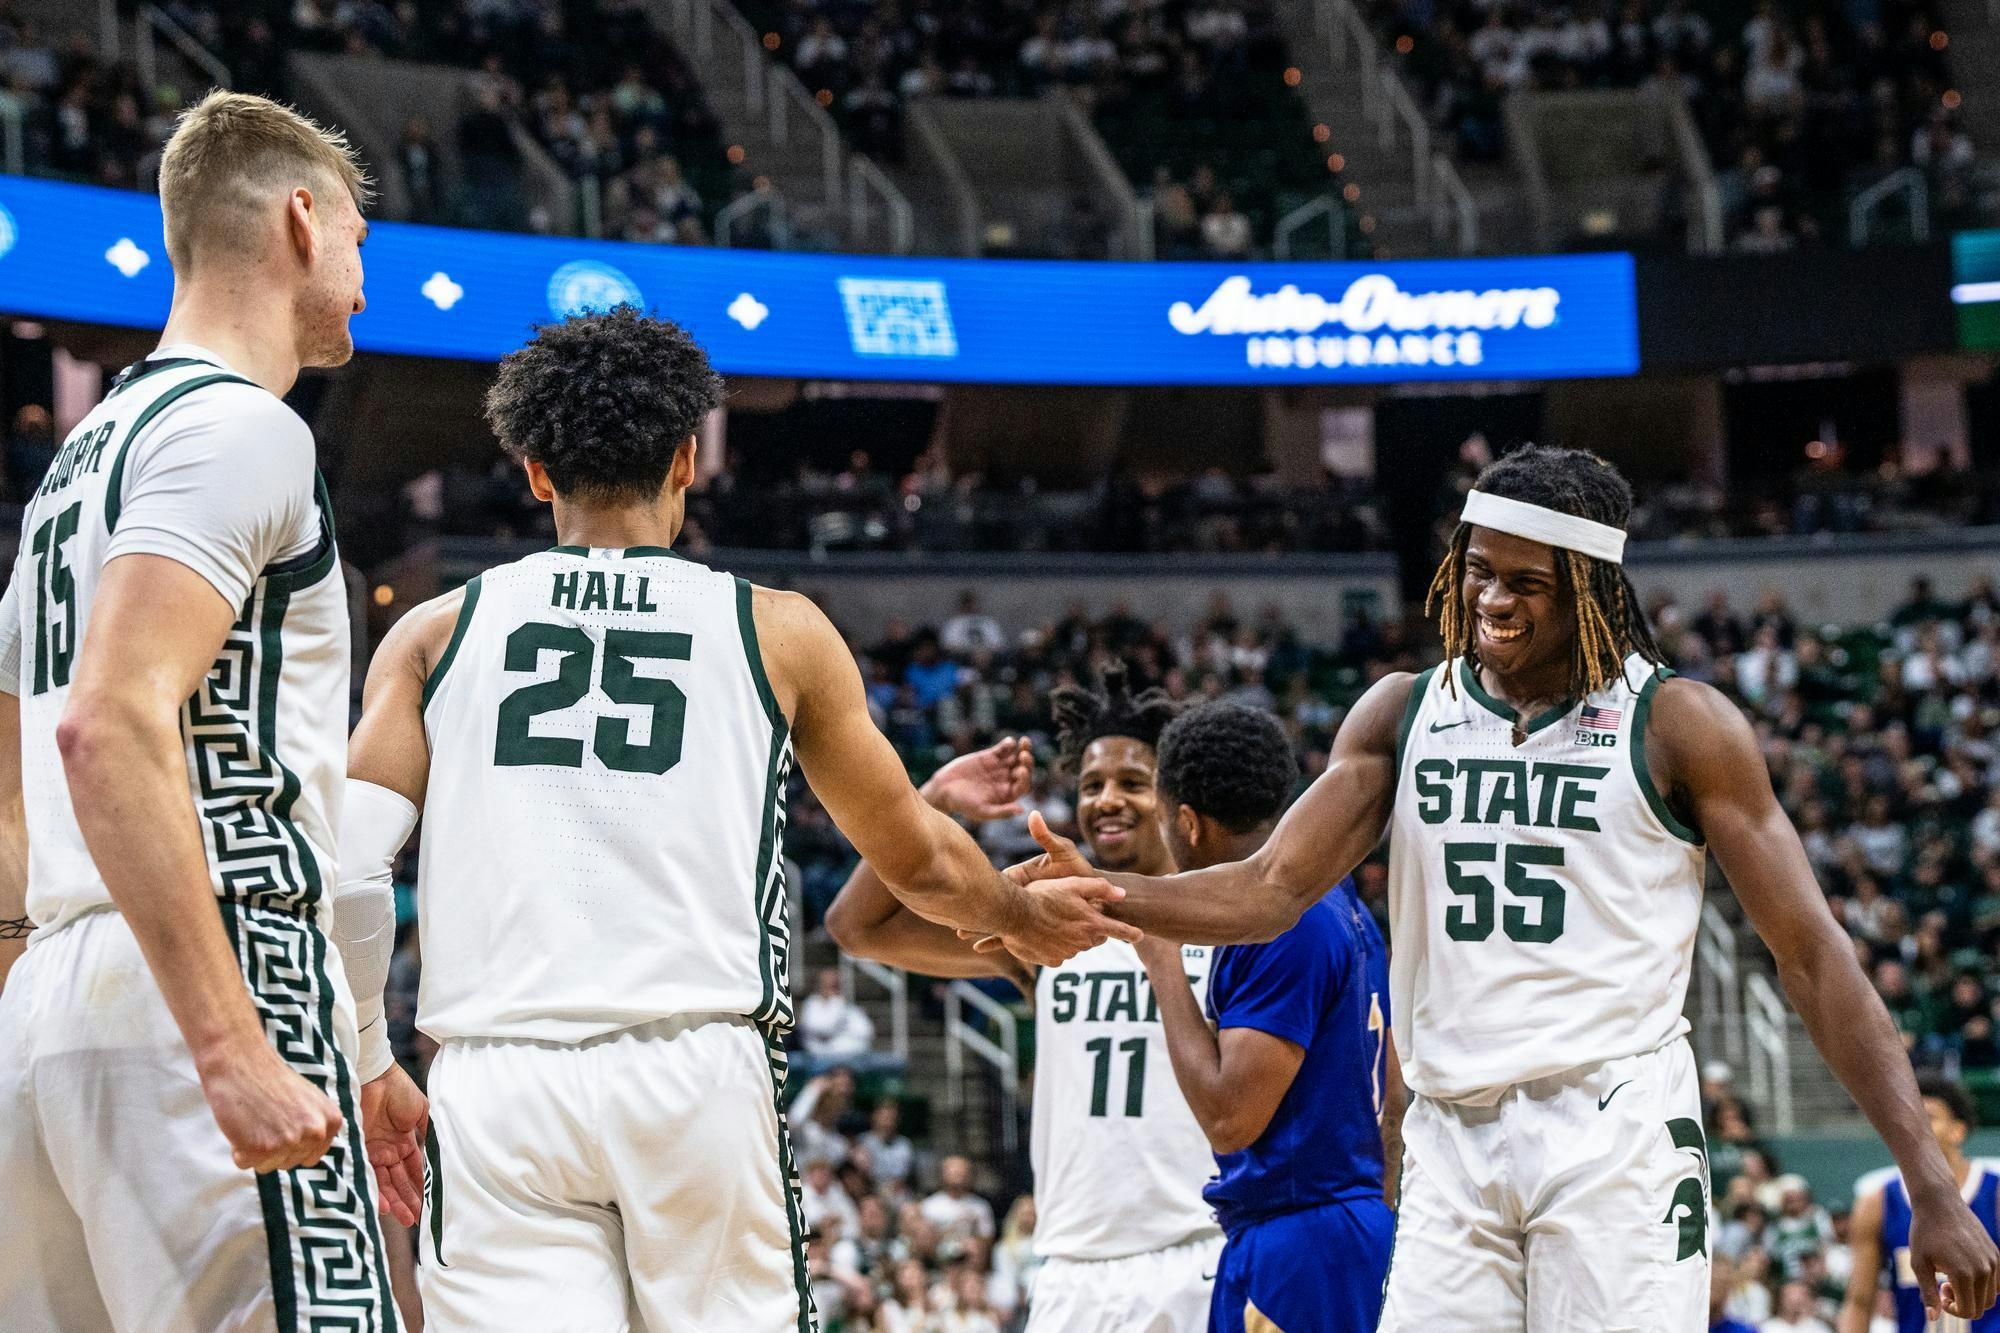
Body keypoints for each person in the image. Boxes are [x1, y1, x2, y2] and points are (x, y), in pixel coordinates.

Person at [1004, 444, 2000, 1331]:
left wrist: (1930, 1181)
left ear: (1593, 591)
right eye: (1477, 570)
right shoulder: (1400, 712)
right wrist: (1100, 897)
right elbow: (1268, 887)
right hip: (1447, 1138)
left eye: (1526, 581)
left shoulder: (1676, 724)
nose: (1489, 599)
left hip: (1611, 1129)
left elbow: (1811, 956)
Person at [339, 307, 1129, 1330]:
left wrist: (366, 1058)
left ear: (534, 472)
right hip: (694, 1071)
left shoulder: (433, 634)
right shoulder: (777, 628)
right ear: (686, 458)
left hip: (497, 1082)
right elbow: (918, 859)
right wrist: (1022, 921)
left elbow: (350, 878)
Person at [0, 90, 413, 1332]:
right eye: (357, 244)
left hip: (53, 1007)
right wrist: (232, 1041)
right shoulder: (239, 426)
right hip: (213, 970)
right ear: (300, 218)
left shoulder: (72, 472)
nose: (359, 283)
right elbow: (106, 725)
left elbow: (14, 788)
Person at [828, 670, 1224, 1333]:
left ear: (1173, 798)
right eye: (1092, 784)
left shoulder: (1218, 923)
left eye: (1132, 782)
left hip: (1197, 1250)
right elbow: (855, 925)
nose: (1107, 799)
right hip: (1071, 1268)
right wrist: (931, 803)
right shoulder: (1044, 930)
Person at [1134, 700, 1401, 1333]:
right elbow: (1395, 1093)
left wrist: (1163, 963)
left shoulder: (1278, 929)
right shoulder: (1336, 899)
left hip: (1300, 1235)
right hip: (1338, 1225)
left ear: (1189, 824)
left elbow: (1230, 1118)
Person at [1840, 1076, 2000, 1333]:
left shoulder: (1995, 1193)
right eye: (1911, 1119)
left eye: (1929, 1117)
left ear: (1958, 1130)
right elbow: (1858, 1303)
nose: (1917, 1127)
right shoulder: (1876, 1202)